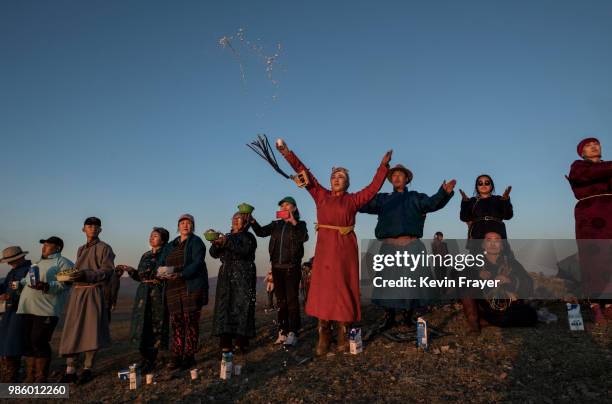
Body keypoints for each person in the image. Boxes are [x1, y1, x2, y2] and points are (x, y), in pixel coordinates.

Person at [277, 139, 391, 355]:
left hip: (345, 248)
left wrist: (383, 166)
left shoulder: (354, 200)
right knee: (323, 289)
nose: (337, 179)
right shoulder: (320, 194)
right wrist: (286, 152)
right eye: (334, 176)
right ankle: (323, 334)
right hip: (326, 248)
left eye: (341, 177)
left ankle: (343, 332)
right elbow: (303, 172)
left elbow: (373, 188)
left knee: (343, 289)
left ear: (347, 183)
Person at [359, 164, 455, 329]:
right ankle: (389, 317)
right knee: (387, 284)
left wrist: (443, 193)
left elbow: (433, 203)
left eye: (400, 175)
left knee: (410, 284)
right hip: (389, 247)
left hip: (411, 246)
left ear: (406, 179)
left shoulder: (415, 197)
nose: (396, 177)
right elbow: (361, 203)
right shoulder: (382, 199)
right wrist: (344, 198)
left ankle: (407, 317)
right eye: (393, 175)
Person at [59, 217, 115, 384]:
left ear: (100, 230)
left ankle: (87, 369)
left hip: (92, 292)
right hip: (76, 293)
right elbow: (78, 270)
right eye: (89, 226)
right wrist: (68, 277)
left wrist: (86, 274)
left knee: (91, 331)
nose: (93, 228)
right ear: (83, 229)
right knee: (72, 330)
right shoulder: (80, 249)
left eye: (96, 226)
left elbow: (107, 271)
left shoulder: (105, 248)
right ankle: (70, 369)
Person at [251, 196, 309, 346]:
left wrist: (293, 222)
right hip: (277, 267)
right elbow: (261, 232)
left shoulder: (300, 224)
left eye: (287, 205)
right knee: (281, 302)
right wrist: (251, 220)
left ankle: (293, 332)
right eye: (282, 206)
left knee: (292, 300)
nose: (284, 208)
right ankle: (282, 331)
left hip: (292, 267)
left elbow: (303, 237)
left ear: (294, 208)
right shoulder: (276, 224)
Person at [459, 175, 513, 334]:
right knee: (476, 275)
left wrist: (506, 200)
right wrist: (464, 202)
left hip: (497, 238)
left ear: (492, 185)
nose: (483, 185)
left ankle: (498, 314)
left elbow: (508, 216)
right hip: (477, 239)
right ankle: (475, 318)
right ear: (476, 186)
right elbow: (464, 217)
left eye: (487, 182)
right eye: (480, 183)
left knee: (500, 274)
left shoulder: (498, 199)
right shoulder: (473, 201)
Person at [567, 137, 612, 323]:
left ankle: (609, 304)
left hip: (610, 211)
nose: (593, 146)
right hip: (590, 215)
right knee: (592, 258)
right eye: (588, 145)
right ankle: (595, 303)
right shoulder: (578, 166)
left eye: (596, 143)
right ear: (582, 153)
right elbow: (587, 176)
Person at [17, 237, 73, 382]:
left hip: (46, 309)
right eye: (44, 245)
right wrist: (18, 284)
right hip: (27, 307)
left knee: (38, 341)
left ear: (58, 248)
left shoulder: (64, 262)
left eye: (48, 245)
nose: (44, 247)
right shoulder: (38, 262)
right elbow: (27, 280)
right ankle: (30, 377)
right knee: (28, 342)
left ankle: (41, 378)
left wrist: (46, 286)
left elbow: (67, 283)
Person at [117, 227, 170, 373]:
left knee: (155, 324)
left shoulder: (166, 254)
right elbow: (140, 277)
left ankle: (152, 359)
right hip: (142, 293)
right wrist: (131, 270)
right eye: (151, 236)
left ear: (163, 239)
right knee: (141, 324)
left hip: (157, 293)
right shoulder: (145, 255)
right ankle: (144, 358)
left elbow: (166, 272)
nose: (152, 238)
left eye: (155, 236)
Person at [159, 214, 208, 370]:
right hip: (173, 288)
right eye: (182, 223)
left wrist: (181, 274)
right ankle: (176, 355)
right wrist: (160, 272)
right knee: (177, 323)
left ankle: (189, 355)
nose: (185, 225)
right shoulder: (170, 245)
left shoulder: (196, 242)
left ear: (192, 226)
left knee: (191, 323)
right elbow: (161, 263)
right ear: (178, 226)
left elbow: (198, 263)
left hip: (190, 287)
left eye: (189, 223)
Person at [210, 212, 257, 354]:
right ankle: (225, 342)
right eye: (234, 218)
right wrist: (216, 244)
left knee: (242, 306)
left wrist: (226, 243)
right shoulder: (226, 236)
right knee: (224, 306)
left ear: (245, 223)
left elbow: (245, 250)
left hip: (243, 273)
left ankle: (241, 342)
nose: (236, 221)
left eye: (240, 219)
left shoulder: (249, 237)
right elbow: (213, 253)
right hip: (226, 274)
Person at [474, 232, 537, 328]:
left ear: (502, 245)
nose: (493, 244)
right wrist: (477, 275)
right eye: (489, 240)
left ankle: (492, 321)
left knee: (530, 315)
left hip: (509, 306)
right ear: (483, 245)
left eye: (497, 240)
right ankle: (485, 319)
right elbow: (458, 276)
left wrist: (509, 280)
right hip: (486, 306)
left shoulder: (512, 263)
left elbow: (528, 284)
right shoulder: (475, 262)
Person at [0, 246, 30, 382]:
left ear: (20, 258)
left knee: (13, 341)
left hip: (20, 310)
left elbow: (26, 290)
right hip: (10, 310)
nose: (9, 263)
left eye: (11, 260)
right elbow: (6, 286)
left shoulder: (28, 270)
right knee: (7, 341)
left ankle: (13, 374)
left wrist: (9, 296)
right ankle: (9, 372)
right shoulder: (13, 271)